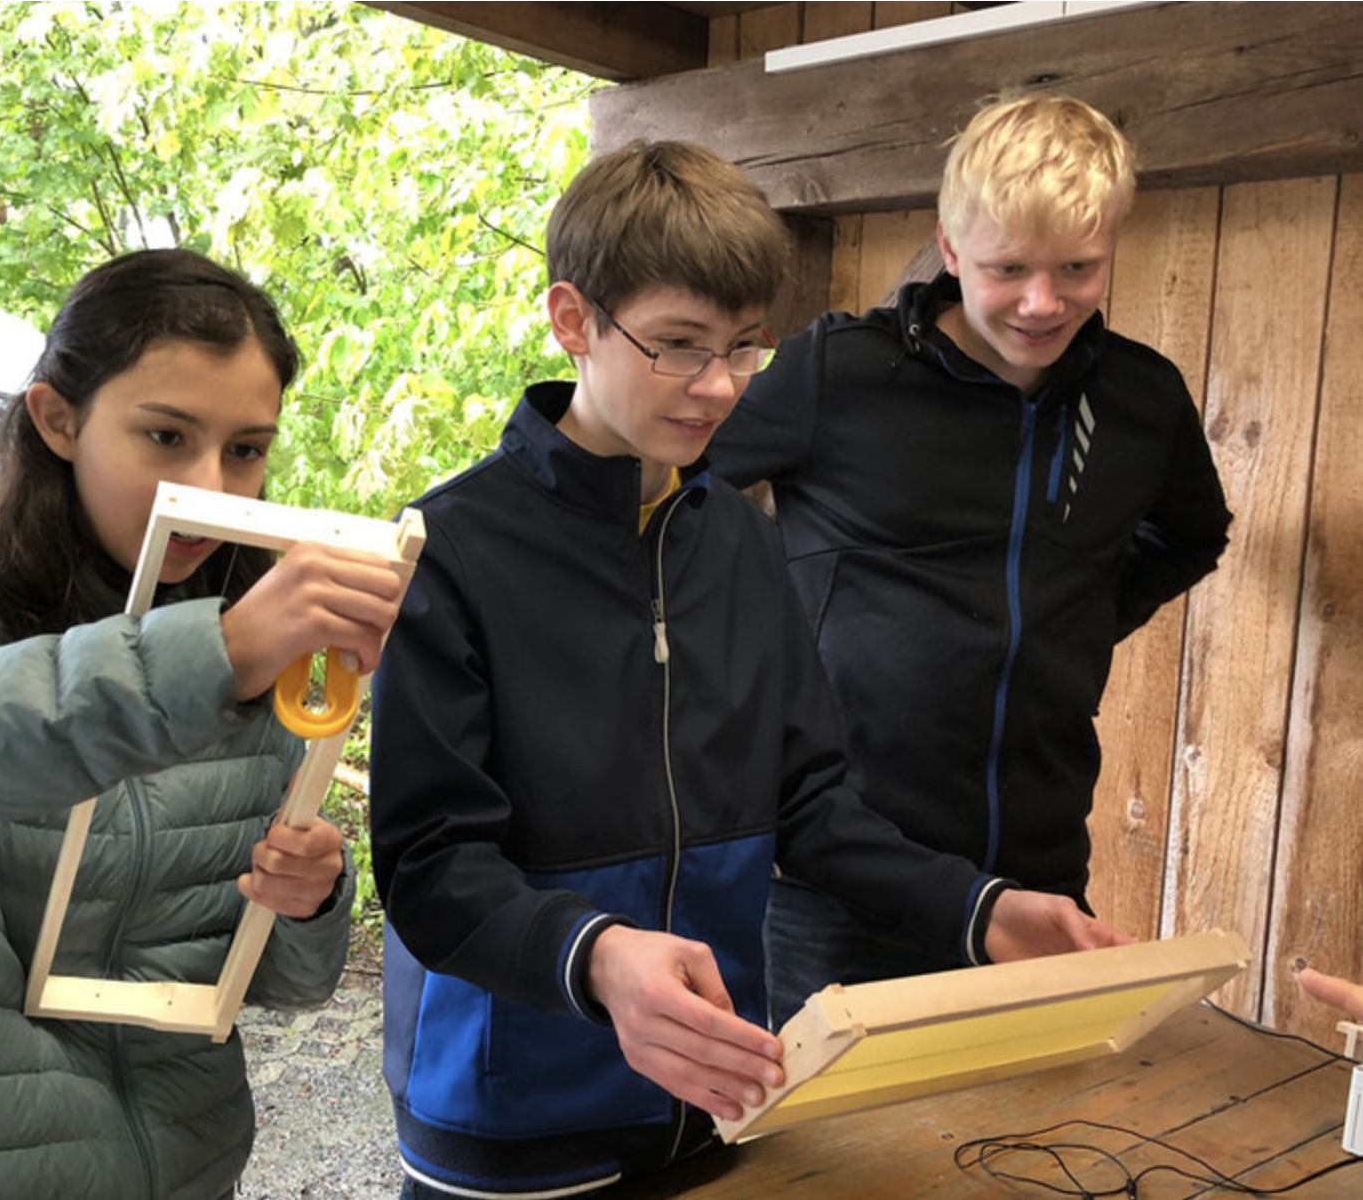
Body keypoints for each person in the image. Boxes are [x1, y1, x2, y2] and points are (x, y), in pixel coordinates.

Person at [368, 139, 1126, 1200]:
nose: (718, 386)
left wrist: (978, 906)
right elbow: (428, 861)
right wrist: (597, 955)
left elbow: (808, 803)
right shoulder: (448, 546)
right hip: (512, 1108)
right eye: (678, 345)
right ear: (573, 320)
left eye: (743, 347)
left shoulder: (738, 537)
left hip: (714, 1094)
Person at [0, 248, 407, 1200]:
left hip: (186, 1165)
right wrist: (203, 657)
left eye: (245, 449)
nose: (214, 488)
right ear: (58, 419)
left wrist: (308, 897)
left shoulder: (251, 627)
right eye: (166, 435)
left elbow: (281, 985)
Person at [707, 94, 1233, 1025]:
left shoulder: (1144, 400)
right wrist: (755, 648)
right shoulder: (840, 372)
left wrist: (1075, 620)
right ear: (950, 250)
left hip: (1039, 879)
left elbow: (1192, 534)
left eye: (1078, 267)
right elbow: (671, 487)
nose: (1043, 301)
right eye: (1008, 269)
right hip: (840, 883)